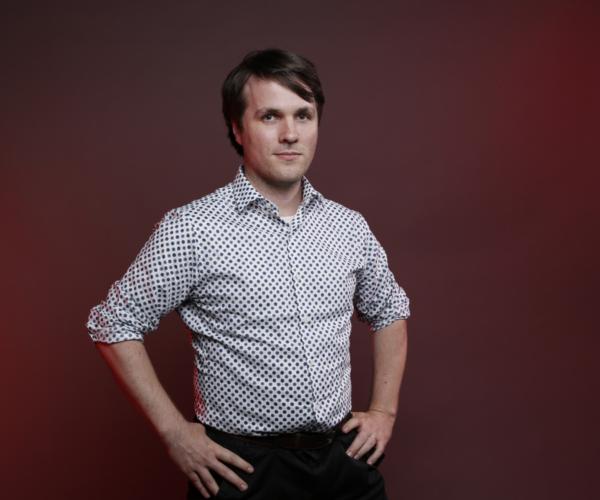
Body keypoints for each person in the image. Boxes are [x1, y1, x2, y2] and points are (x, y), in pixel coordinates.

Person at [87, 48, 410, 499]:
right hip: (245, 471)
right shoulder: (192, 228)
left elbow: (390, 310)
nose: (290, 134)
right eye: (270, 117)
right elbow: (113, 323)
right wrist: (174, 432)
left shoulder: (348, 226)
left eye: (304, 115)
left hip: (345, 464)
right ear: (237, 129)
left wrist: (384, 413)